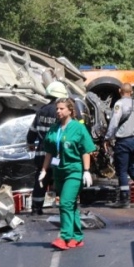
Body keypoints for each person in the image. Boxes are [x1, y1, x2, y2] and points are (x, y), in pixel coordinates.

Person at [38, 98, 96, 250]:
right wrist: (44, 170)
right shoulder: (54, 129)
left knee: (65, 203)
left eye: (62, 108)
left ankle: (64, 237)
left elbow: (86, 151)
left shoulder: (78, 128)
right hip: (59, 171)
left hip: (74, 171)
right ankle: (77, 236)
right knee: (71, 205)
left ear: (70, 110)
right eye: (57, 108)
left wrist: (86, 171)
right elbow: (49, 152)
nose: (58, 111)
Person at [26, 81, 68, 215]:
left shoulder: (41, 111)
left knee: (41, 179)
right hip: (56, 155)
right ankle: (64, 207)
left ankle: (36, 208)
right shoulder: (60, 112)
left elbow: (32, 132)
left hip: (41, 153)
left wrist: (30, 143)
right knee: (60, 179)